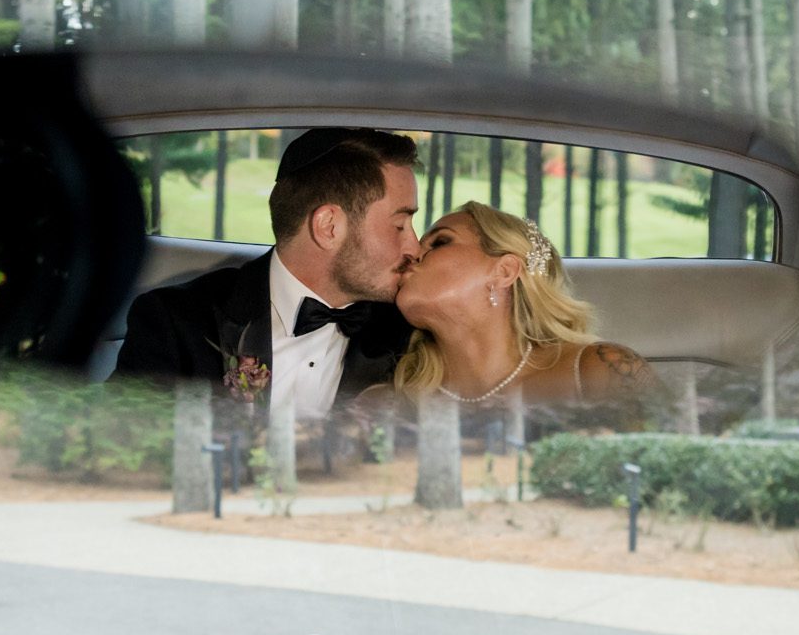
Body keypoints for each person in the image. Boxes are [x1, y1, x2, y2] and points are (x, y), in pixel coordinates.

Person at [113, 128, 422, 418]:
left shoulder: (408, 335)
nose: (415, 247)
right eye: (399, 226)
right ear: (329, 227)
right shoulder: (175, 323)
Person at [380, 202, 657, 408]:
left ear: (504, 271)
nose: (413, 252)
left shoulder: (601, 370)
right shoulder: (390, 401)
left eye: (440, 242)